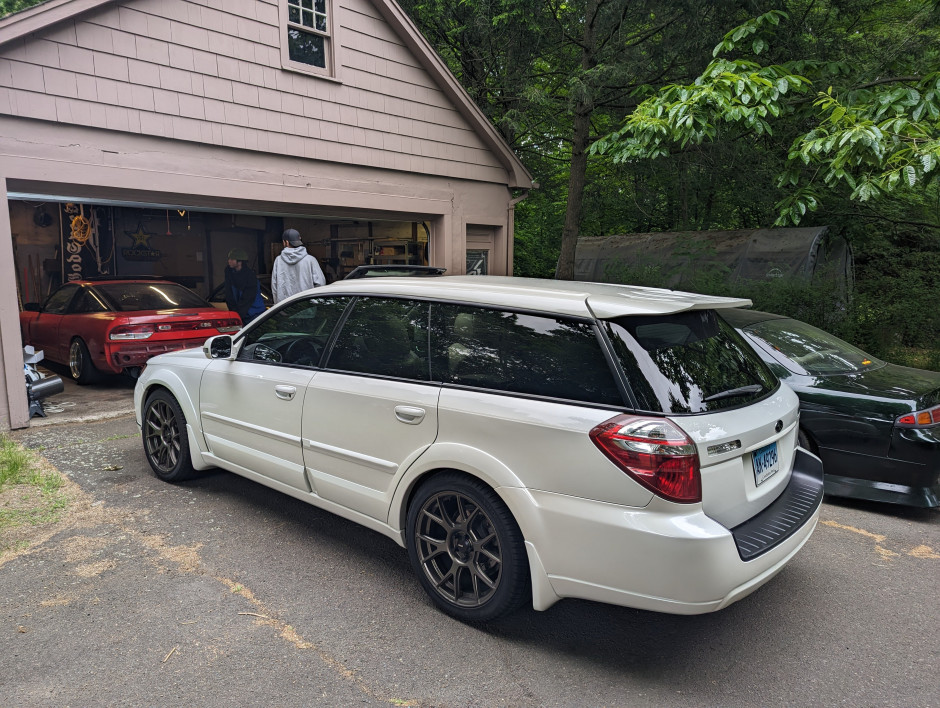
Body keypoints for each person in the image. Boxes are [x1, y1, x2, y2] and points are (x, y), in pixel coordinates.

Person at [272, 228, 325, 303]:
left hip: (284, 307)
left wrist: (277, 305)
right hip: (306, 307)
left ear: (286, 242)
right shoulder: (310, 260)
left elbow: (274, 286)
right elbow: (320, 284)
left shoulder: (278, 260)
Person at [224, 248, 265, 324]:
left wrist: (238, 314)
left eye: (232, 259)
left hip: (254, 313)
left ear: (240, 262)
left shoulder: (250, 277)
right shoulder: (229, 273)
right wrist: (234, 312)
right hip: (240, 314)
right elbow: (229, 294)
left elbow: (248, 298)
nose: (229, 261)